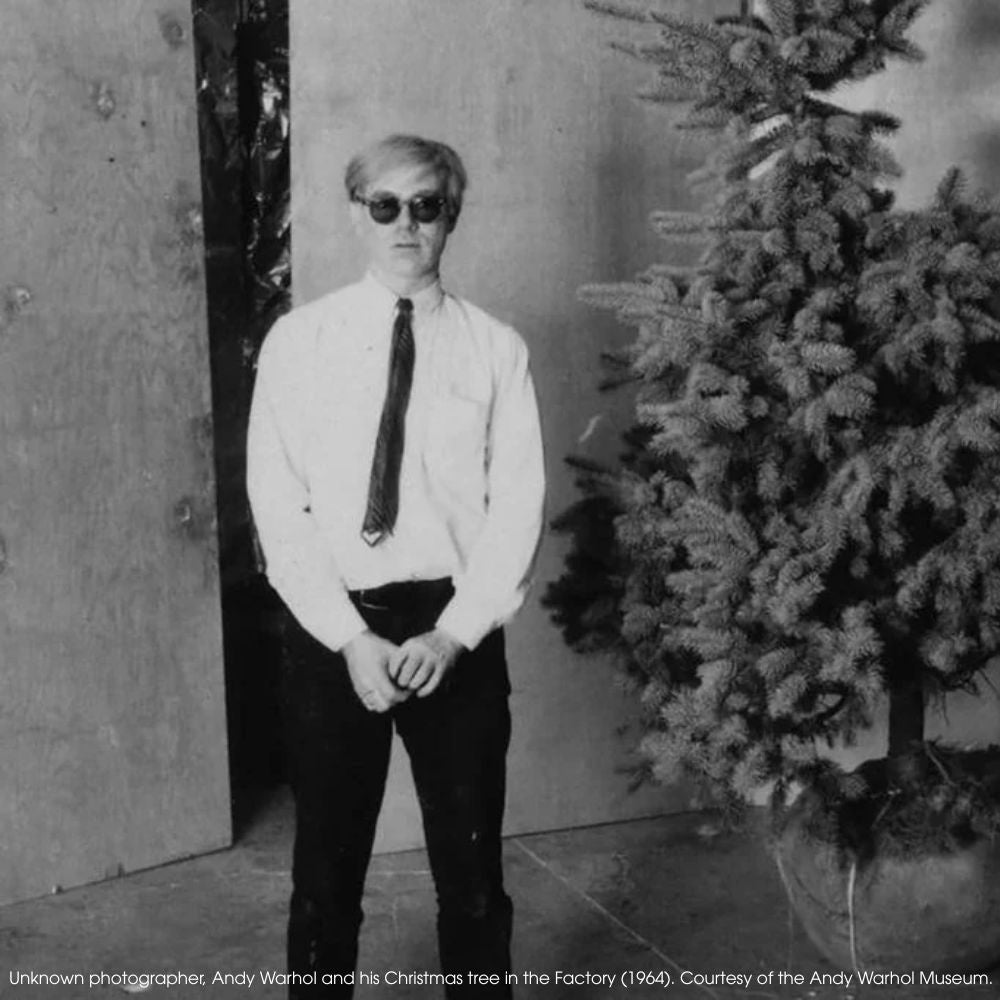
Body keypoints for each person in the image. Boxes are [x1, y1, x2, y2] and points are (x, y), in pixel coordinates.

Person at [246, 133, 546, 998]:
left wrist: (454, 637)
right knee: (326, 872)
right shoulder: (300, 343)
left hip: (453, 624)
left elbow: (517, 508)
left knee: (473, 874)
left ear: (452, 217)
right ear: (355, 215)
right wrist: (347, 639)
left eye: (427, 206)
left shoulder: (496, 350)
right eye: (385, 206)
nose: (405, 225)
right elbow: (278, 505)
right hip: (333, 628)